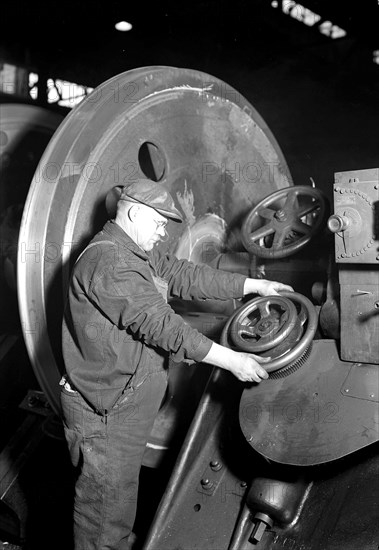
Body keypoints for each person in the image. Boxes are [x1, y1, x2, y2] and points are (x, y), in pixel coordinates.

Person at [60, 179, 293, 550]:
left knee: (118, 501)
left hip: (127, 400)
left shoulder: (134, 250)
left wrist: (253, 285)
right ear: (135, 213)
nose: (163, 232)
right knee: (103, 515)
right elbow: (161, 325)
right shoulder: (108, 260)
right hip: (106, 411)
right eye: (159, 223)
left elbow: (186, 274)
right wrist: (231, 359)